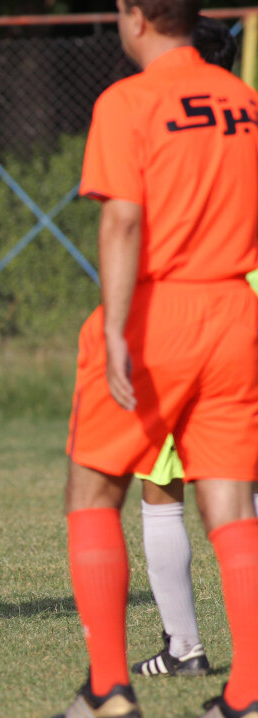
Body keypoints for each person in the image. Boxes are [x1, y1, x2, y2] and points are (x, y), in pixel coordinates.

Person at [54, 0, 258, 718]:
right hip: (235, 309)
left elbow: (123, 217)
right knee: (230, 504)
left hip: (158, 309)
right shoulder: (245, 102)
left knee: (93, 488)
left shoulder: (128, 100)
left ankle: (109, 689)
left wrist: (115, 327)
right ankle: (249, 696)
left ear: (135, 16)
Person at [130, 14, 239, 680]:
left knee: (161, 481)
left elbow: (130, 221)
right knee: (238, 485)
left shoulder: (157, 115)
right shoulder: (245, 117)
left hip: (182, 314)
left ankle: (184, 646)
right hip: (243, 312)